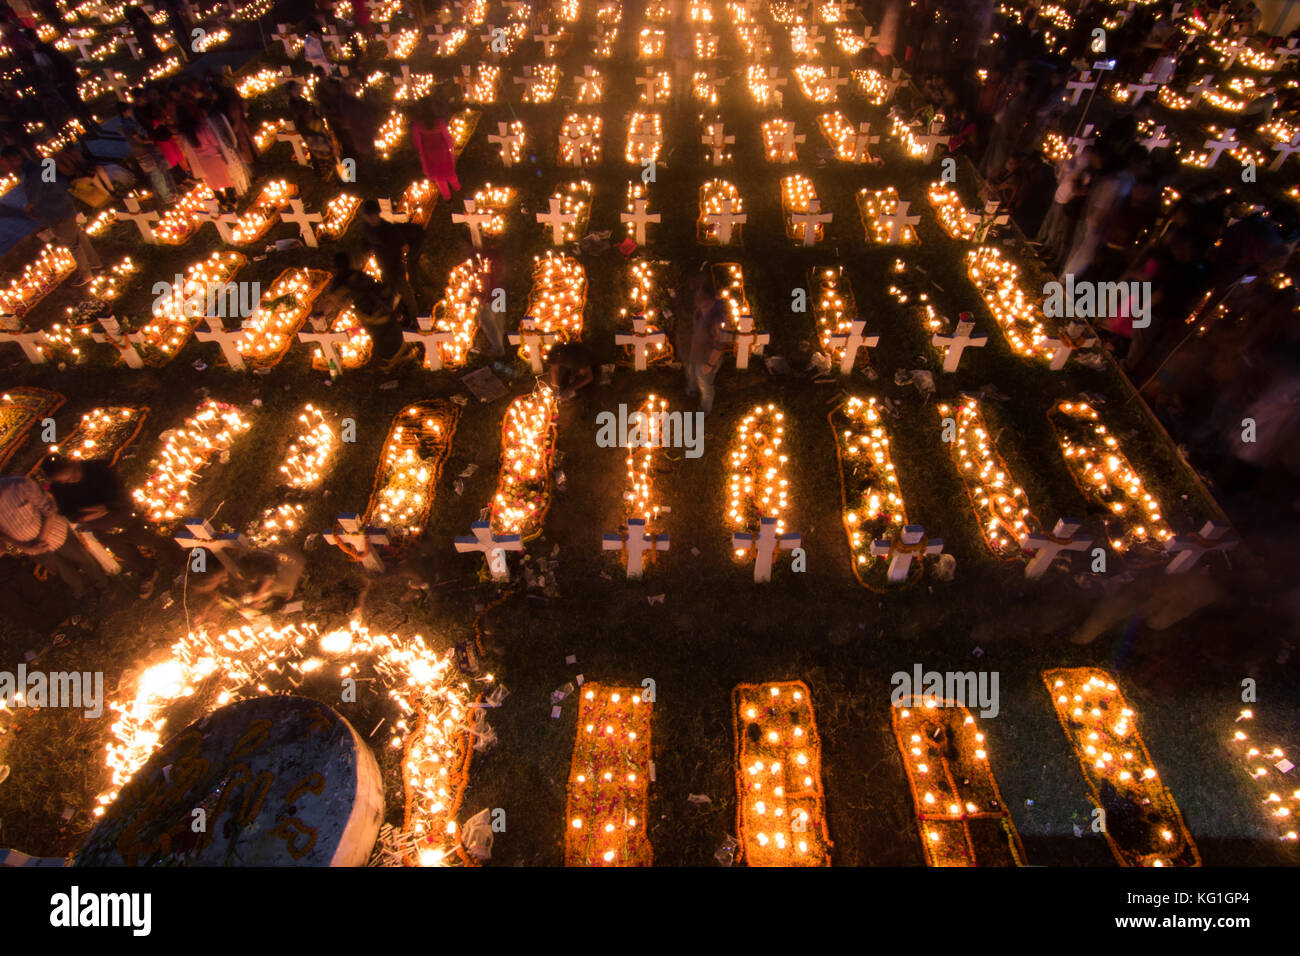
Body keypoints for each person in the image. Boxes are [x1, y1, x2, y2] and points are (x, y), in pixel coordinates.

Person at [43, 453, 167, 598]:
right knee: (123, 551)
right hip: (101, 527)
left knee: (149, 539)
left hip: (121, 516)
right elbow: (72, 514)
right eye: (64, 481)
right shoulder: (59, 489)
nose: (70, 482)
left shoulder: (94, 469)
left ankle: (178, 558)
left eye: (71, 477)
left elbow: (117, 495)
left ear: (72, 464)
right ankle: (147, 571)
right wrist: (94, 512)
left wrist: (105, 508)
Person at [1, 144, 102, 286]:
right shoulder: (31, 168)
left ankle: (86, 275)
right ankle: (94, 264)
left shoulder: (32, 171)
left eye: (6, 162)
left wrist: (30, 205)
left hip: (57, 212)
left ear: (15, 158)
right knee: (78, 236)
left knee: (73, 243)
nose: (5, 167)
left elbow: (36, 190)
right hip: (59, 207)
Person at [0, 475, 109, 599]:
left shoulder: (19, 484)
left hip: (56, 532)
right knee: (64, 572)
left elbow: (49, 509)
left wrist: (41, 538)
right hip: (33, 549)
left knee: (82, 559)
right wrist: (24, 546)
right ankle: (87, 593)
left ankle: (104, 586)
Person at [361, 198, 425, 320]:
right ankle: (396, 315)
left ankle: (414, 317)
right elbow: (368, 241)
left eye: (374, 215)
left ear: (378, 214)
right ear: (365, 217)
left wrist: (401, 258)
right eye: (369, 216)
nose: (372, 218)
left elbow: (405, 247)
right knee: (389, 292)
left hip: (396, 266)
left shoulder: (389, 229)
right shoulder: (367, 228)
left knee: (405, 291)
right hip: (383, 265)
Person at [174, 110, 248, 210]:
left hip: (203, 162)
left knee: (213, 183)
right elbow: (214, 142)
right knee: (226, 179)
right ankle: (233, 200)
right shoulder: (202, 127)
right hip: (214, 157)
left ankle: (222, 202)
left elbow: (186, 150)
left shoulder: (185, 135)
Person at [683, 276, 727, 416]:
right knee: (693, 374)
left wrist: (709, 363)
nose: (701, 306)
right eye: (699, 302)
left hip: (708, 358)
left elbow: (720, 345)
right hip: (696, 353)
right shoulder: (699, 313)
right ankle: (692, 391)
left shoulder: (718, 320)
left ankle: (705, 410)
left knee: (705, 384)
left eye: (705, 304)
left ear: (713, 301)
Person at [412, 99, 459, 200]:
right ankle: (457, 187)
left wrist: (420, 151)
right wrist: (451, 147)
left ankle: (447, 196)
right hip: (442, 151)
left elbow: (417, 140)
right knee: (449, 171)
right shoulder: (439, 122)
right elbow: (447, 137)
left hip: (429, 153)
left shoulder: (417, 125)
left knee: (439, 177)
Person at [547, 340, 597, 408]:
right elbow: (554, 371)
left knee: (586, 389)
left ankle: (587, 405)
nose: (556, 366)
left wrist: (570, 389)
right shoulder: (556, 353)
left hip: (590, 367)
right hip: (572, 366)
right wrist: (556, 388)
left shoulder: (580, 357)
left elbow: (588, 377)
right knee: (562, 385)